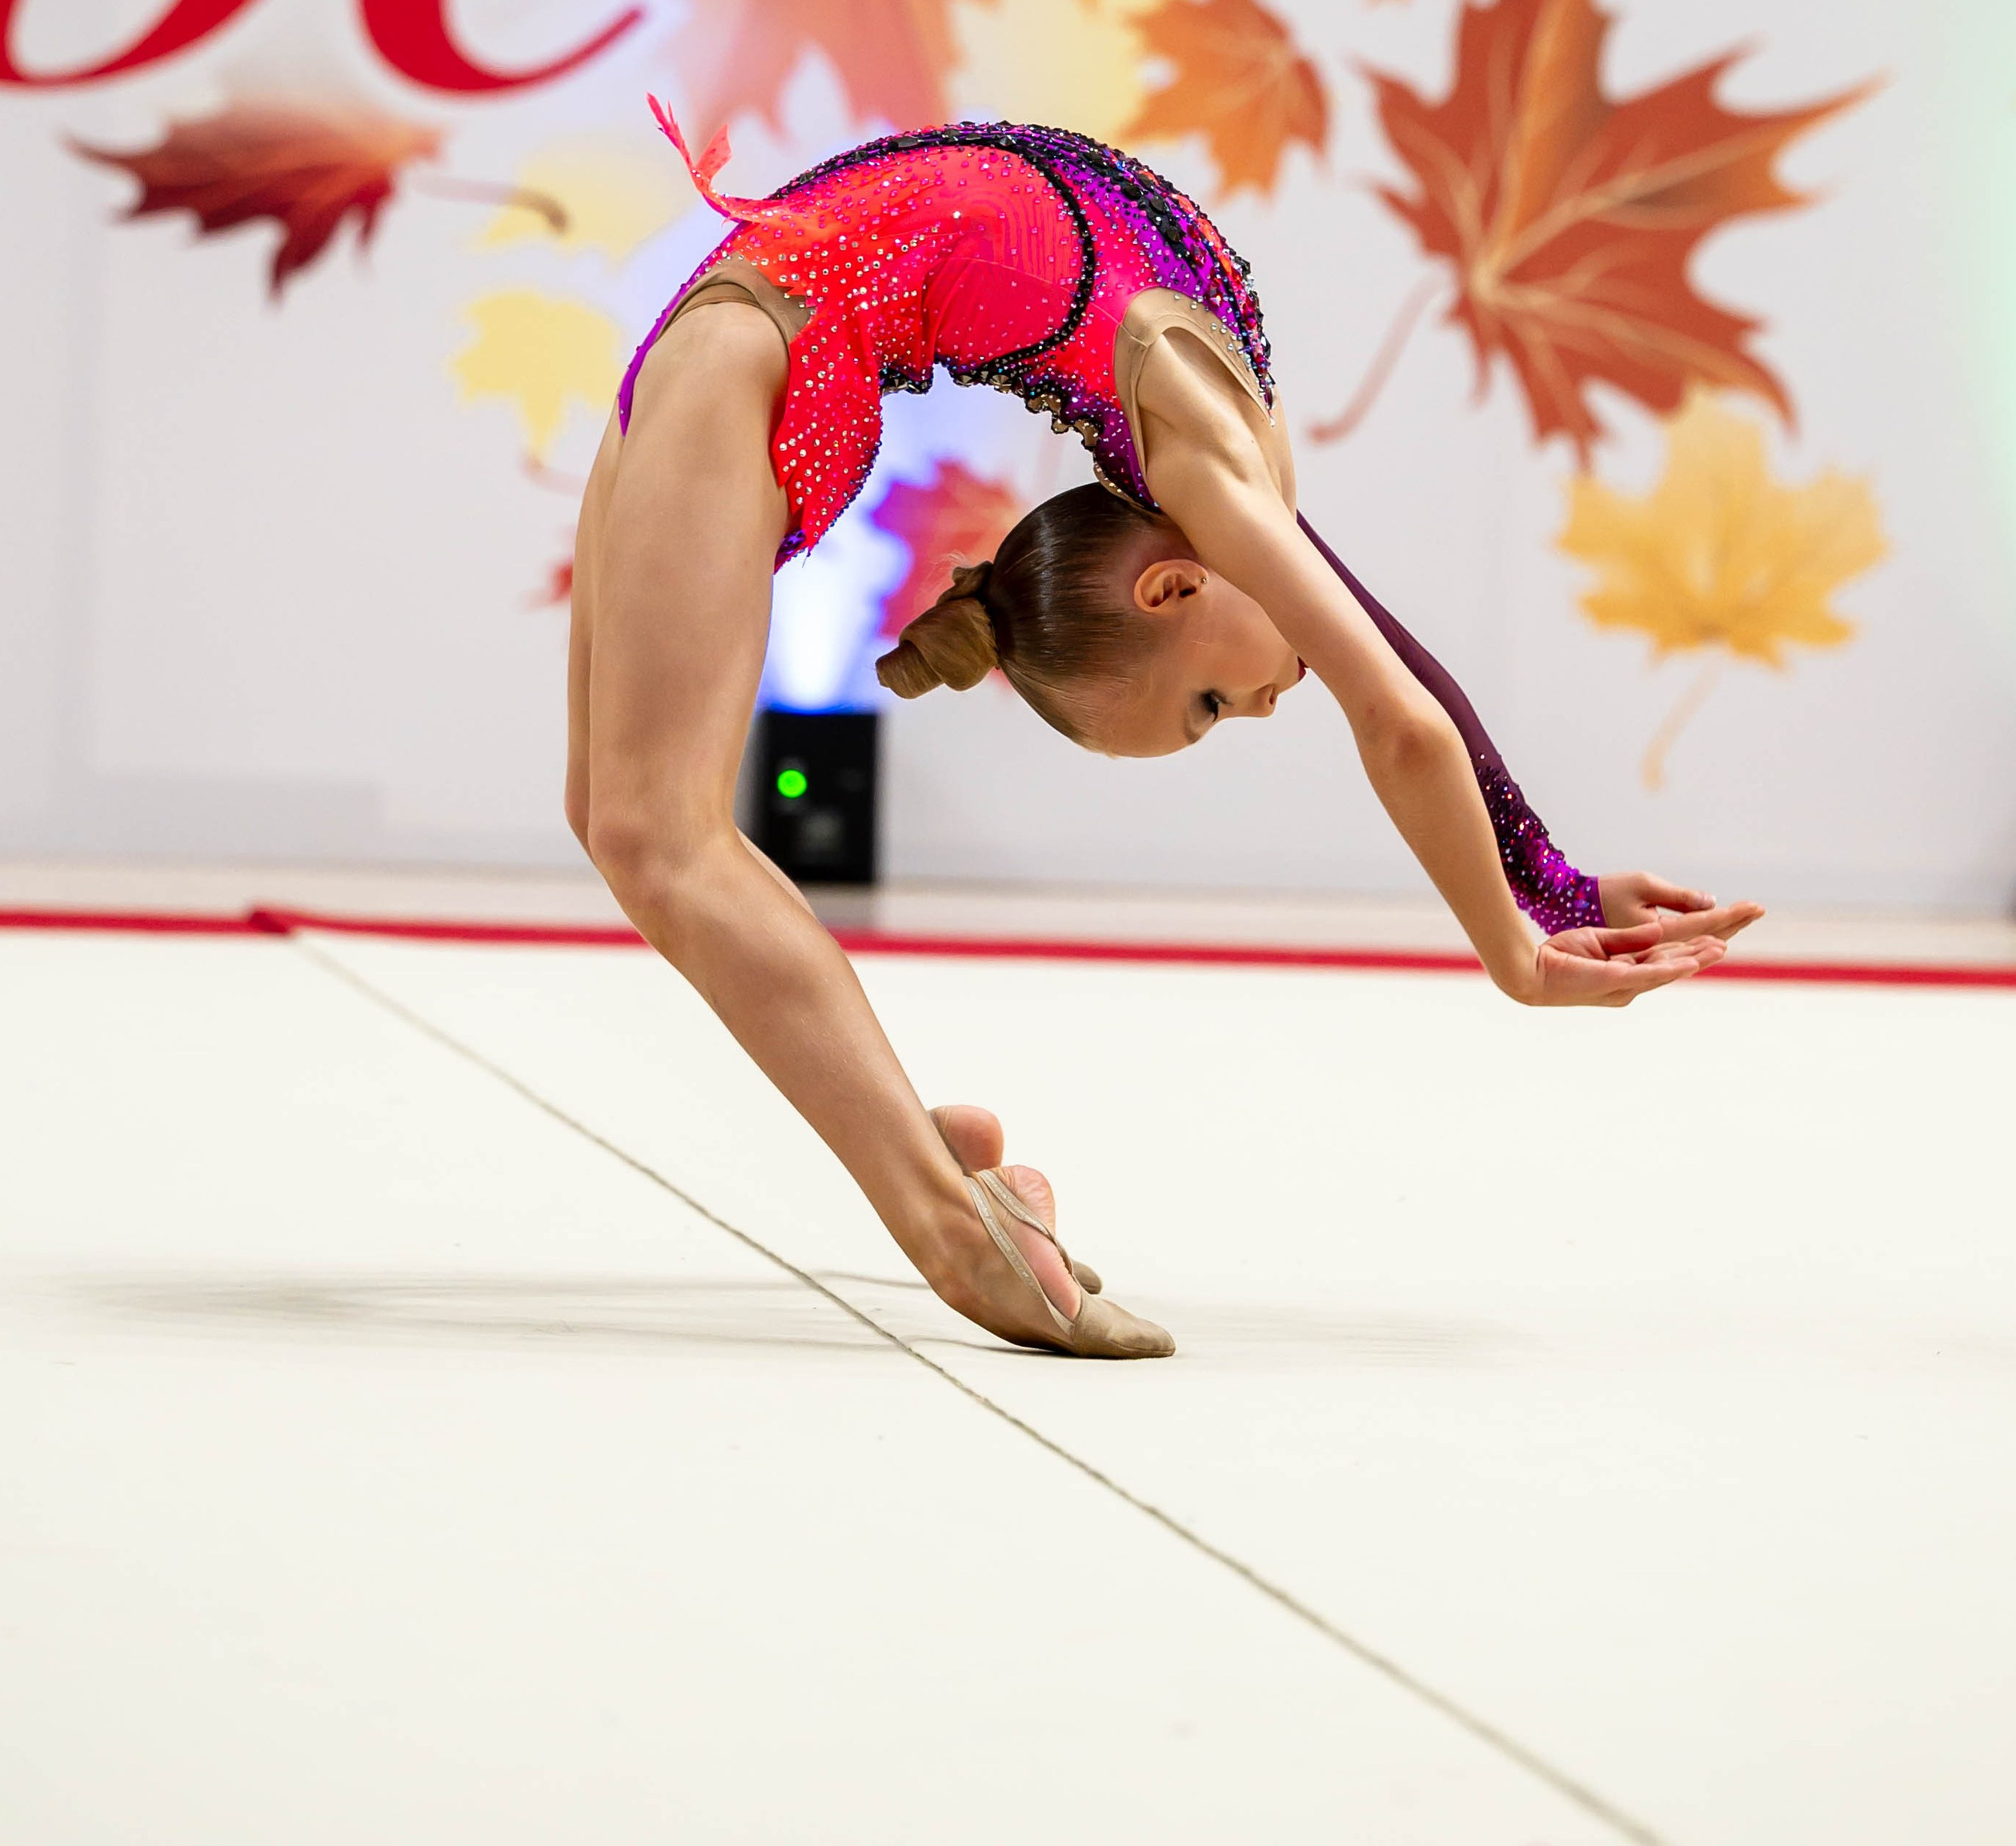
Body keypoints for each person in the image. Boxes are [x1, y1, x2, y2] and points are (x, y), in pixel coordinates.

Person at [567, 110, 1761, 1360]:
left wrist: (1553, 875)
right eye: (1206, 708)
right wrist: (1516, 944)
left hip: (741, 320)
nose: (1252, 709)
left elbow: (1399, 672)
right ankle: (954, 1227)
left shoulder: (1224, 472)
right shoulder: (1215, 466)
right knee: (649, 829)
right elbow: (1398, 720)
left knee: (625, 816)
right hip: (751, 338)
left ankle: (941, 1169)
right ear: (1169, 589)